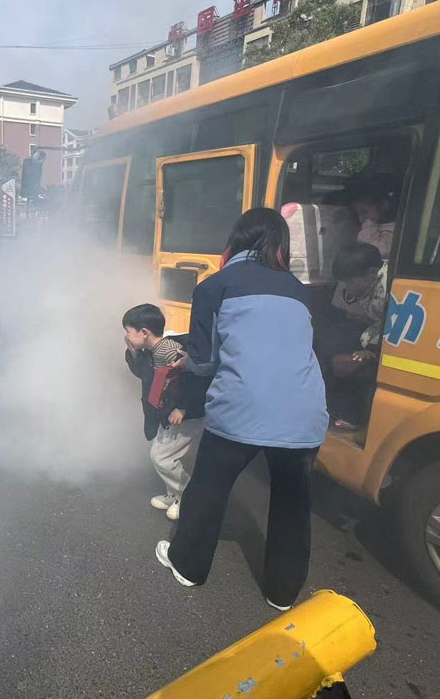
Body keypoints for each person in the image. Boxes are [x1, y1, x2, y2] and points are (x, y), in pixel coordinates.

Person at [156, 208, 327, 612]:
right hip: (304, 413)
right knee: (292, 501)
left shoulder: (216, 285)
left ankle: (187, 565)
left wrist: (182, 362)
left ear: (236, 239)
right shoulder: (300, 291)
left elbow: (203, 359)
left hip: (242, 407)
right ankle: (282, 592)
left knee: (209, 487)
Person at [122, 304, 207, 521]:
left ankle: (187, 497)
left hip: (184, 416)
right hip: (165, 413)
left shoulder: (170, 351)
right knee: (168, 455)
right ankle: (174, 493)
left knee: (161, 457)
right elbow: (143, 375)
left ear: (144, 333)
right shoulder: (149, 352)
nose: (127, 337)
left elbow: (194, 380)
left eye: (128, 332)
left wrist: (183, 407)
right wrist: (132, 352)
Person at [319, 242, 387, 430]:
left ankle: (348, 413)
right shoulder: (370, 283)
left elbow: (389, 326)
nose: (346, 287)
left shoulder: (387, 292)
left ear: (372, 273)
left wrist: (372, 352)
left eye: (350, 282)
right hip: (370, 330)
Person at [349, 179, 398, 258]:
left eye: (365, 212)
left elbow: (380, 252)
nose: (361, 218)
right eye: (357, 214)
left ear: (382, 205)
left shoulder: (393, 230)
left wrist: (369, 227)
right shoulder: (368, 230)